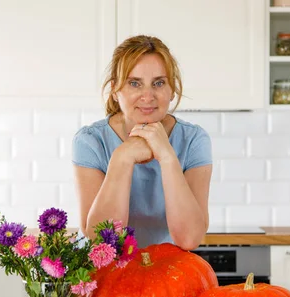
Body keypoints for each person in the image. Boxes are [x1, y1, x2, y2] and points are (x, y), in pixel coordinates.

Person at [72, 35, 212, 250]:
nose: (148, 96)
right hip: (109, 273)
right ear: (115, 90)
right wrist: (122, 157)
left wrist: (166, 156)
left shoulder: (194, 140)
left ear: (171, 90)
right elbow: (100, 240)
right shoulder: (90, 141)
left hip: (170, 272)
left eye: (158, 83)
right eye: (134, 83)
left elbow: (189, 239)